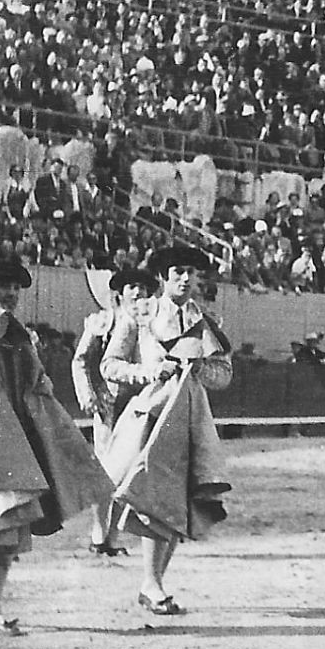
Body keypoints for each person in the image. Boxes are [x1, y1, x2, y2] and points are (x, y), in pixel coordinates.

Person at [0, 256, 114, 634]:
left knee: (5, 532)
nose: (12, 293)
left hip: (9, 441)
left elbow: (33, 382)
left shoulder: (14, 331)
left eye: (16, 286)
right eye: (4, 285)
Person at [101, 247, 233, 615]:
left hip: (189, 419)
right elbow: (109, 365)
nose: (186, 279)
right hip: (150, 417)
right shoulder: (140, 315)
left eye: (191, 272)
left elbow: (224, 376)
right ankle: (152, 583)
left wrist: (200, 370)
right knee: (153, 498)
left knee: (179, 502)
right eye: (178, 272)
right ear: (162, 277)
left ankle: (152, 583)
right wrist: (147, 374)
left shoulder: (204, 322)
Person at [71, 267, 157, 557]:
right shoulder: (104, 321)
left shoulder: (150, 322)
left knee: (128, 472)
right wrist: (88, 395)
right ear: (120, 292)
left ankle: (113, 535)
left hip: (139, 406)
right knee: (105, 472)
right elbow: (81, 360)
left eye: (143, 288)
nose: (137, 292)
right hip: (109, 405)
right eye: (132, 287)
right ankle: (99, 534)